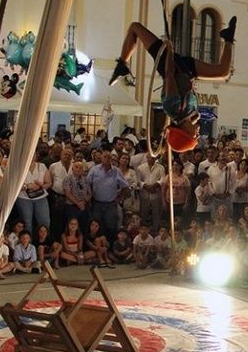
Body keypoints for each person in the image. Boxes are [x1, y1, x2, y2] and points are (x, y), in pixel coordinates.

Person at [110, 19, 237, 152]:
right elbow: (189, 114)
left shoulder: (173, 107)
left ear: (185, 132)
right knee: (223, 72)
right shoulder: (189, 117)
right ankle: (228, 37)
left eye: (194, 136)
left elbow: (169, 75)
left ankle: (122, 64)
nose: (198, 135)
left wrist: (169, 50)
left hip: (169, 63)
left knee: (135, 27)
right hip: (187, 71)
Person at [87, 145, 129, 241]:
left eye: (109, 157)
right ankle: (97, 247)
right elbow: (87, 184)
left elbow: (125, 187)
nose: (107, 159)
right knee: (96, 227)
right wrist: (89, 198)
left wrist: (119, 199)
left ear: (112, 159)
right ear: (101, 157)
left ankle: (109, 248)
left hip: (111, 205)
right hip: (96, 203)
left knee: (110, 227)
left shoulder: (116, 171)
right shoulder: (94, 169)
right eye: (105, 157)